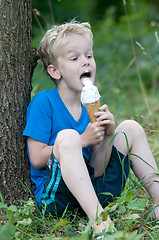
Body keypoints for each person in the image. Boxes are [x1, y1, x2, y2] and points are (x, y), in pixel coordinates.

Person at [23, 20, 159, 235]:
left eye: (89, 55)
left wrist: (107, 137)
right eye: (75, 58)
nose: (85, 62)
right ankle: (100, 222)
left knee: (130, 128)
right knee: (68, 137)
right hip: (58, 199)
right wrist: (82, 139)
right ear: (55, 71)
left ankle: (158, 203)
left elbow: (97, 169)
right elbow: (37, 158)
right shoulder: (44, 103)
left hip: (93, 192)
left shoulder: (91, 108)